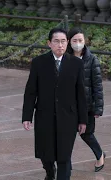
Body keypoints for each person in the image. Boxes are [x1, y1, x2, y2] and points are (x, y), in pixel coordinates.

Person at [22, 27, 88, 180]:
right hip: (45, 115)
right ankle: (50, 172)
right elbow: (31, 91)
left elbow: (81, 94)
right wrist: (27, 116)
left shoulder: (76, 64)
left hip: (68, 117)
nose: (60, 45)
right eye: (56, 41)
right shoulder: (39, 63)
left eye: (63, 41)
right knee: (46, 154)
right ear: (49, 44)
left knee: (64, 156)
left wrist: (83, 119)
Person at [66, 27, 106, 172]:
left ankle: (100, 155)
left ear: (85, 41)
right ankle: (65, 165)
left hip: (87, 105)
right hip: (69, 105)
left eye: (80, 40)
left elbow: (98, 86)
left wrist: (98, 108)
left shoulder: (91, 59)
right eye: (75, 40)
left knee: (87, 134)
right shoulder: (65, 58)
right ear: (69, 42)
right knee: (66, 135)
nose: (78, 43)